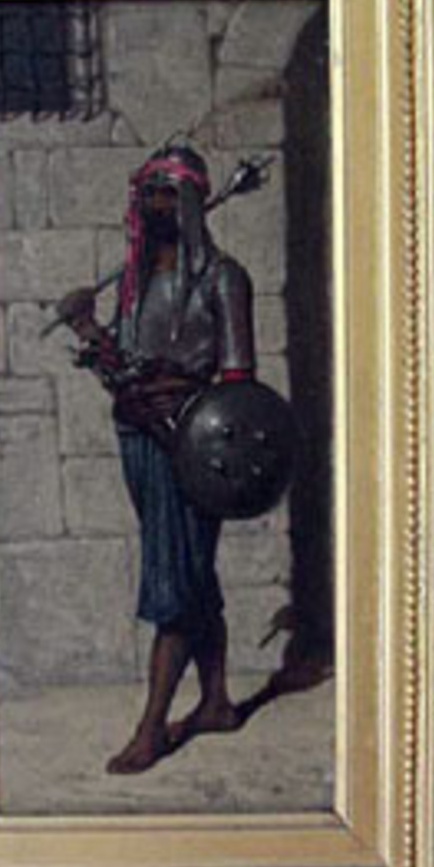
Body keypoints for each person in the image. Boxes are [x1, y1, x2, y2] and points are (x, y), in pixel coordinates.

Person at [57, 142, 256, 774]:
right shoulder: (135, 284)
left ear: (193, 198)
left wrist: (177, 401)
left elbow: (238, 384)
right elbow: (121, 371)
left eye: (169, 192)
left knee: (173, 584)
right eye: (149, 193)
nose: (157, 205)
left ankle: (151, 728)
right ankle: (216, 702)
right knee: (192, 570)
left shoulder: (223, 278)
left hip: (191, 444)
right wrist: (88, 329)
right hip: (138, 441)